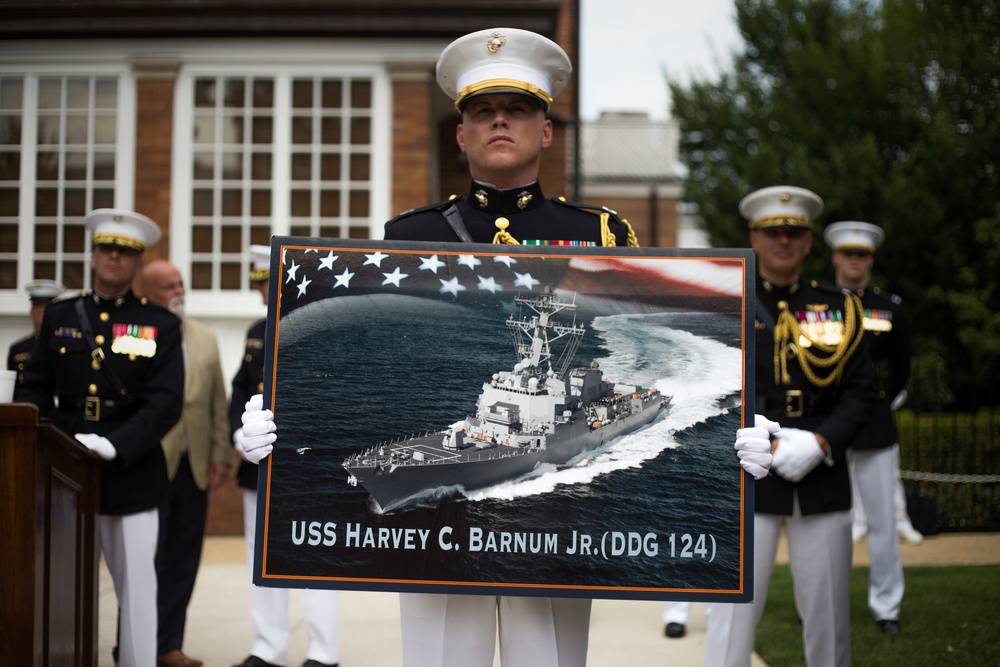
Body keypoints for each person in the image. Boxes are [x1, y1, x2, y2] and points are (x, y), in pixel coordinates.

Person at [238, 27, 774, 667]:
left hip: (561, 520)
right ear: (460, 133)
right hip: (448, 533)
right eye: (481, 112)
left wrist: (734, 443)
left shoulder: (599, 233)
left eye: (518, 109)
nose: (499, 121)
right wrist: (280, 424)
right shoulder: (411, 234)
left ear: (546, 131)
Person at [704, 186, 875, 667]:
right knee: (730, 624)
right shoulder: (726, 302)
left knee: (829, 623)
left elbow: (863, 392)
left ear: (808, 243)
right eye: (773, 232)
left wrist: (821, 442)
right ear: (754, 238)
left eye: (794, 233)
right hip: (746, 476)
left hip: (818, 479)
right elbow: (704, 386)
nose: (784, 241)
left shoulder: (840, 308)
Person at [15, 208, 184, 667]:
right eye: (106, 248)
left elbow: (166, 402)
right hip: (60, 467)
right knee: (59, 583)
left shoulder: (161, 325)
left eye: (125, 251)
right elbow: (33, 387)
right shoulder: (59, 316)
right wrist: (43, 440)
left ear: (136, 263)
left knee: (137, 591)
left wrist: (116, 444)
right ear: (92, 257)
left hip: (131, 470)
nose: (114, 257)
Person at [230, 244, 340, 667]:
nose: (263, 293)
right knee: (259, 558)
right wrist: (241, 434)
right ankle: (268, 647)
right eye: (259, 285)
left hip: (307, 465)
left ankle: (324, 652)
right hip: (261, 465)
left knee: (314, 556)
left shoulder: (320, 325)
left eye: (268, 283)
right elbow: (241, 392)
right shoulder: (257, 330)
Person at [140, 260, 233, 665]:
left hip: (193, 467)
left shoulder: (205, 337)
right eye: (168, 286)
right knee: (143, 562)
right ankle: (134, 644)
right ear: (146, 294)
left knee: (182, 559)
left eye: (180, 283)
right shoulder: (135, 335)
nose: (179, 290)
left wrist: (219, 454)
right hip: (148, 467)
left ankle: (167, 645)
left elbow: (216, 402)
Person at [824, 221, 913, 633]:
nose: (854, 261)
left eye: (861, 255)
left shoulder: (890, 307)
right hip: (829, 423)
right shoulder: (820, 305)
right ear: (835, 257)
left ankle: (887, 606)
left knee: (881, 522)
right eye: (848, 253)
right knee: (831, 523)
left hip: (875, 426)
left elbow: (901, 368)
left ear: (870, 260)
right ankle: (829, 602)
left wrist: (877, 402)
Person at [6, 279, 65, 383]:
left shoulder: (66, 344)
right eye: (37, 305)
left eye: (46, 306)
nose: (41, 310)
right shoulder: (17, 349)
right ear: (31, 311)